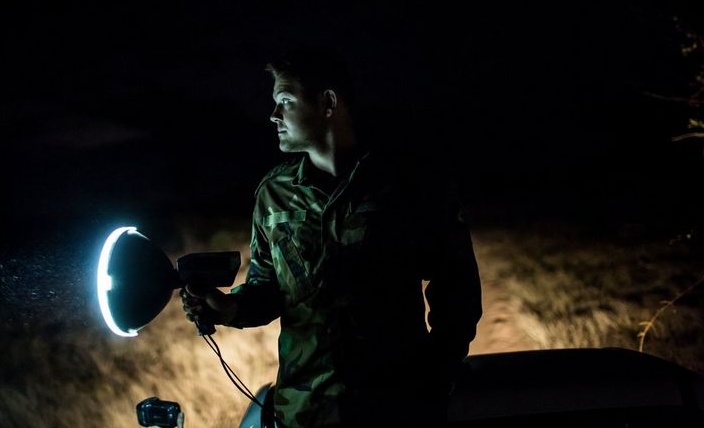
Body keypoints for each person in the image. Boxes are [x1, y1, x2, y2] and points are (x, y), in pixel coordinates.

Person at [182, 47, 482, 427]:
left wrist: (437, 376)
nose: (273, 115)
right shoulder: (274, 195)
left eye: (285, 101)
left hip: (394, 409)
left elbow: (456, 284)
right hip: (304, 412)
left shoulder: (406, 185)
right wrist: (229, 309)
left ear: (327, 103)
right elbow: (268, 288)